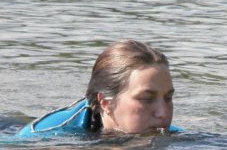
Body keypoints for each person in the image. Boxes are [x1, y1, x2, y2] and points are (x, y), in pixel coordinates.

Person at [17, 39, 180, 137]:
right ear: (105, 103)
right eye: (147, 99)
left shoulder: (159, 128)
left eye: (168, 98)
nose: (163, 113)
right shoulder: (43, 135)